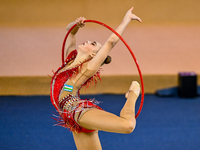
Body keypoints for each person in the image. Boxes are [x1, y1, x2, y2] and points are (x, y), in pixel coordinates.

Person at [50, 7, 142, 150]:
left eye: (93, 44)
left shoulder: (88, 68)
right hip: (71, 117)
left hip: (77, 110)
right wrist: (76, 25)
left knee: (128, 125)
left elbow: (111, 42)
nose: (87, 41)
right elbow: (70, 32)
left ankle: (133, 94)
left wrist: (126, 19)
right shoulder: (70, 59)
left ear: (94, 56)